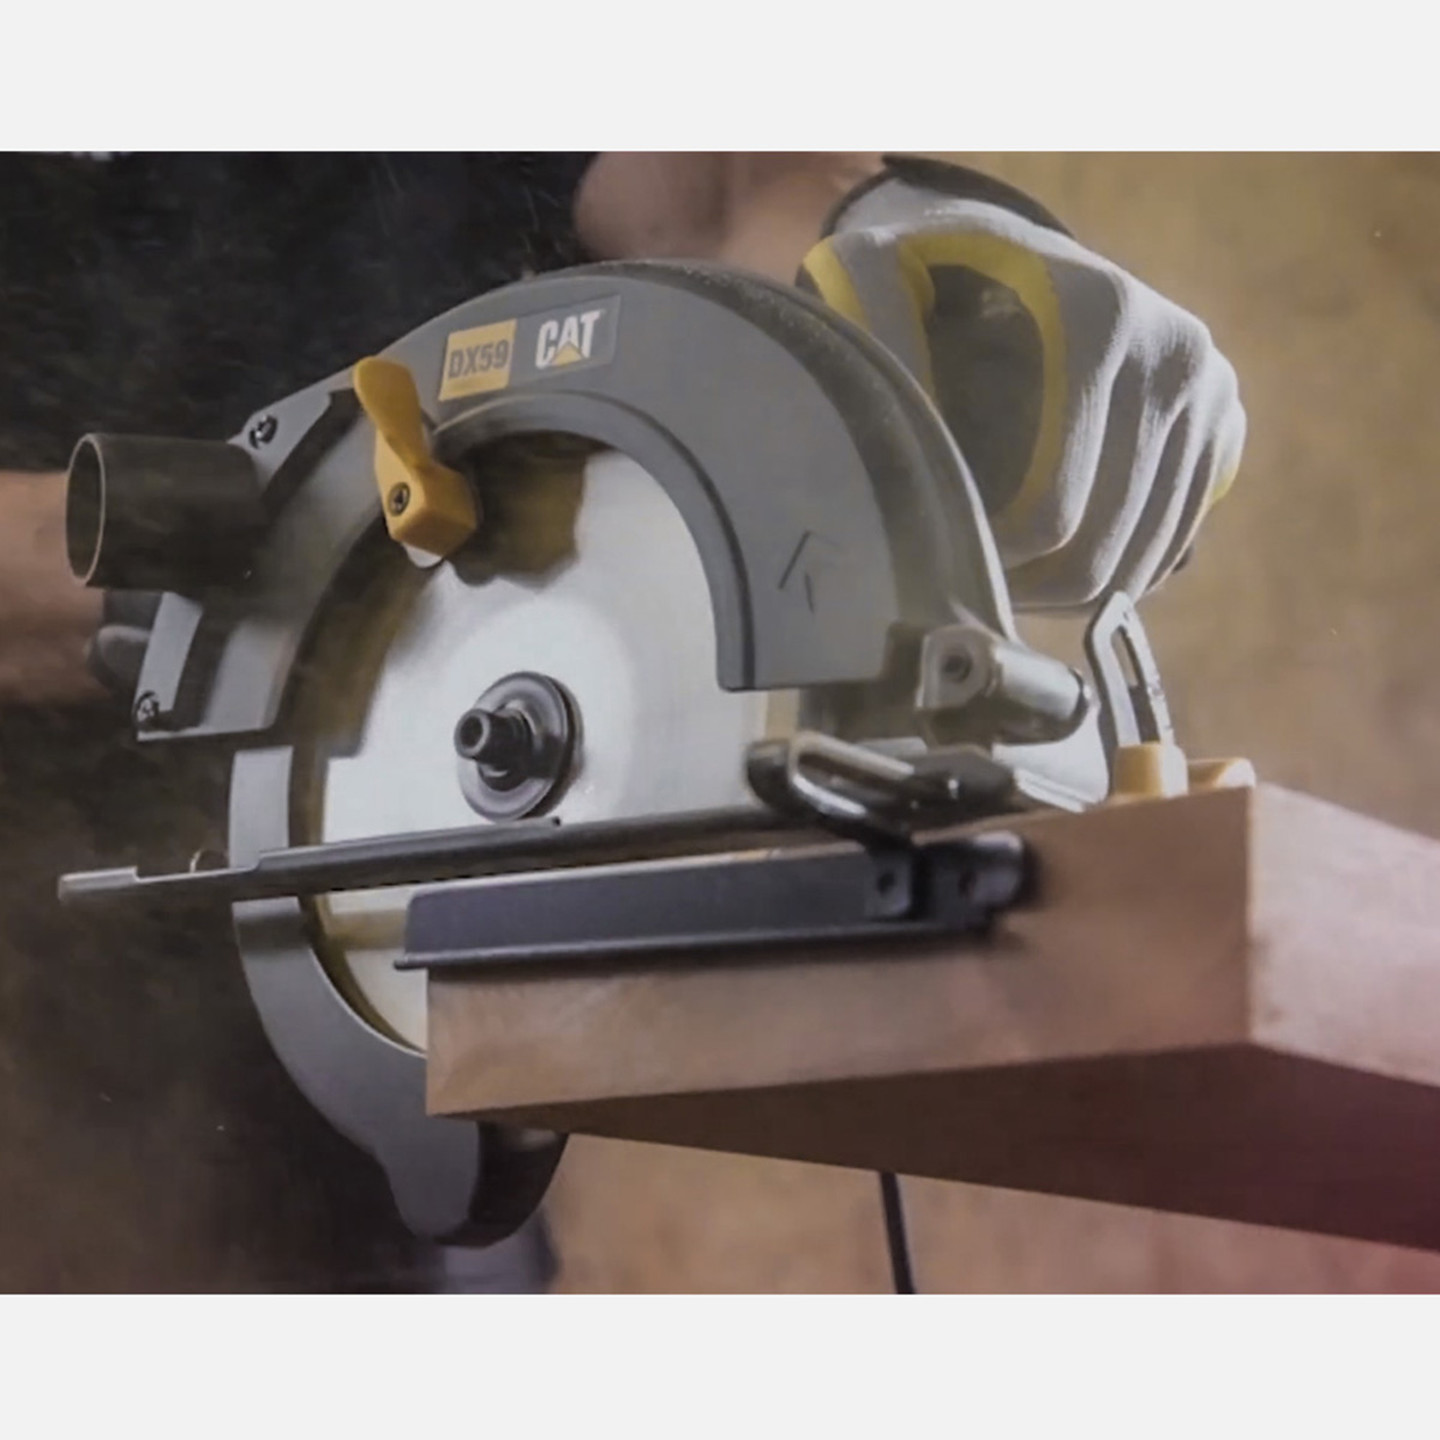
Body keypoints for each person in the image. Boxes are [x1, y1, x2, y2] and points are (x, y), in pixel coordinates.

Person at [0, 152, 1244, 1289]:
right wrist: (257, 561)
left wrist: (895, 244)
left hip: (423, 1039)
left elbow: (723, 193)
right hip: (54, 1067)